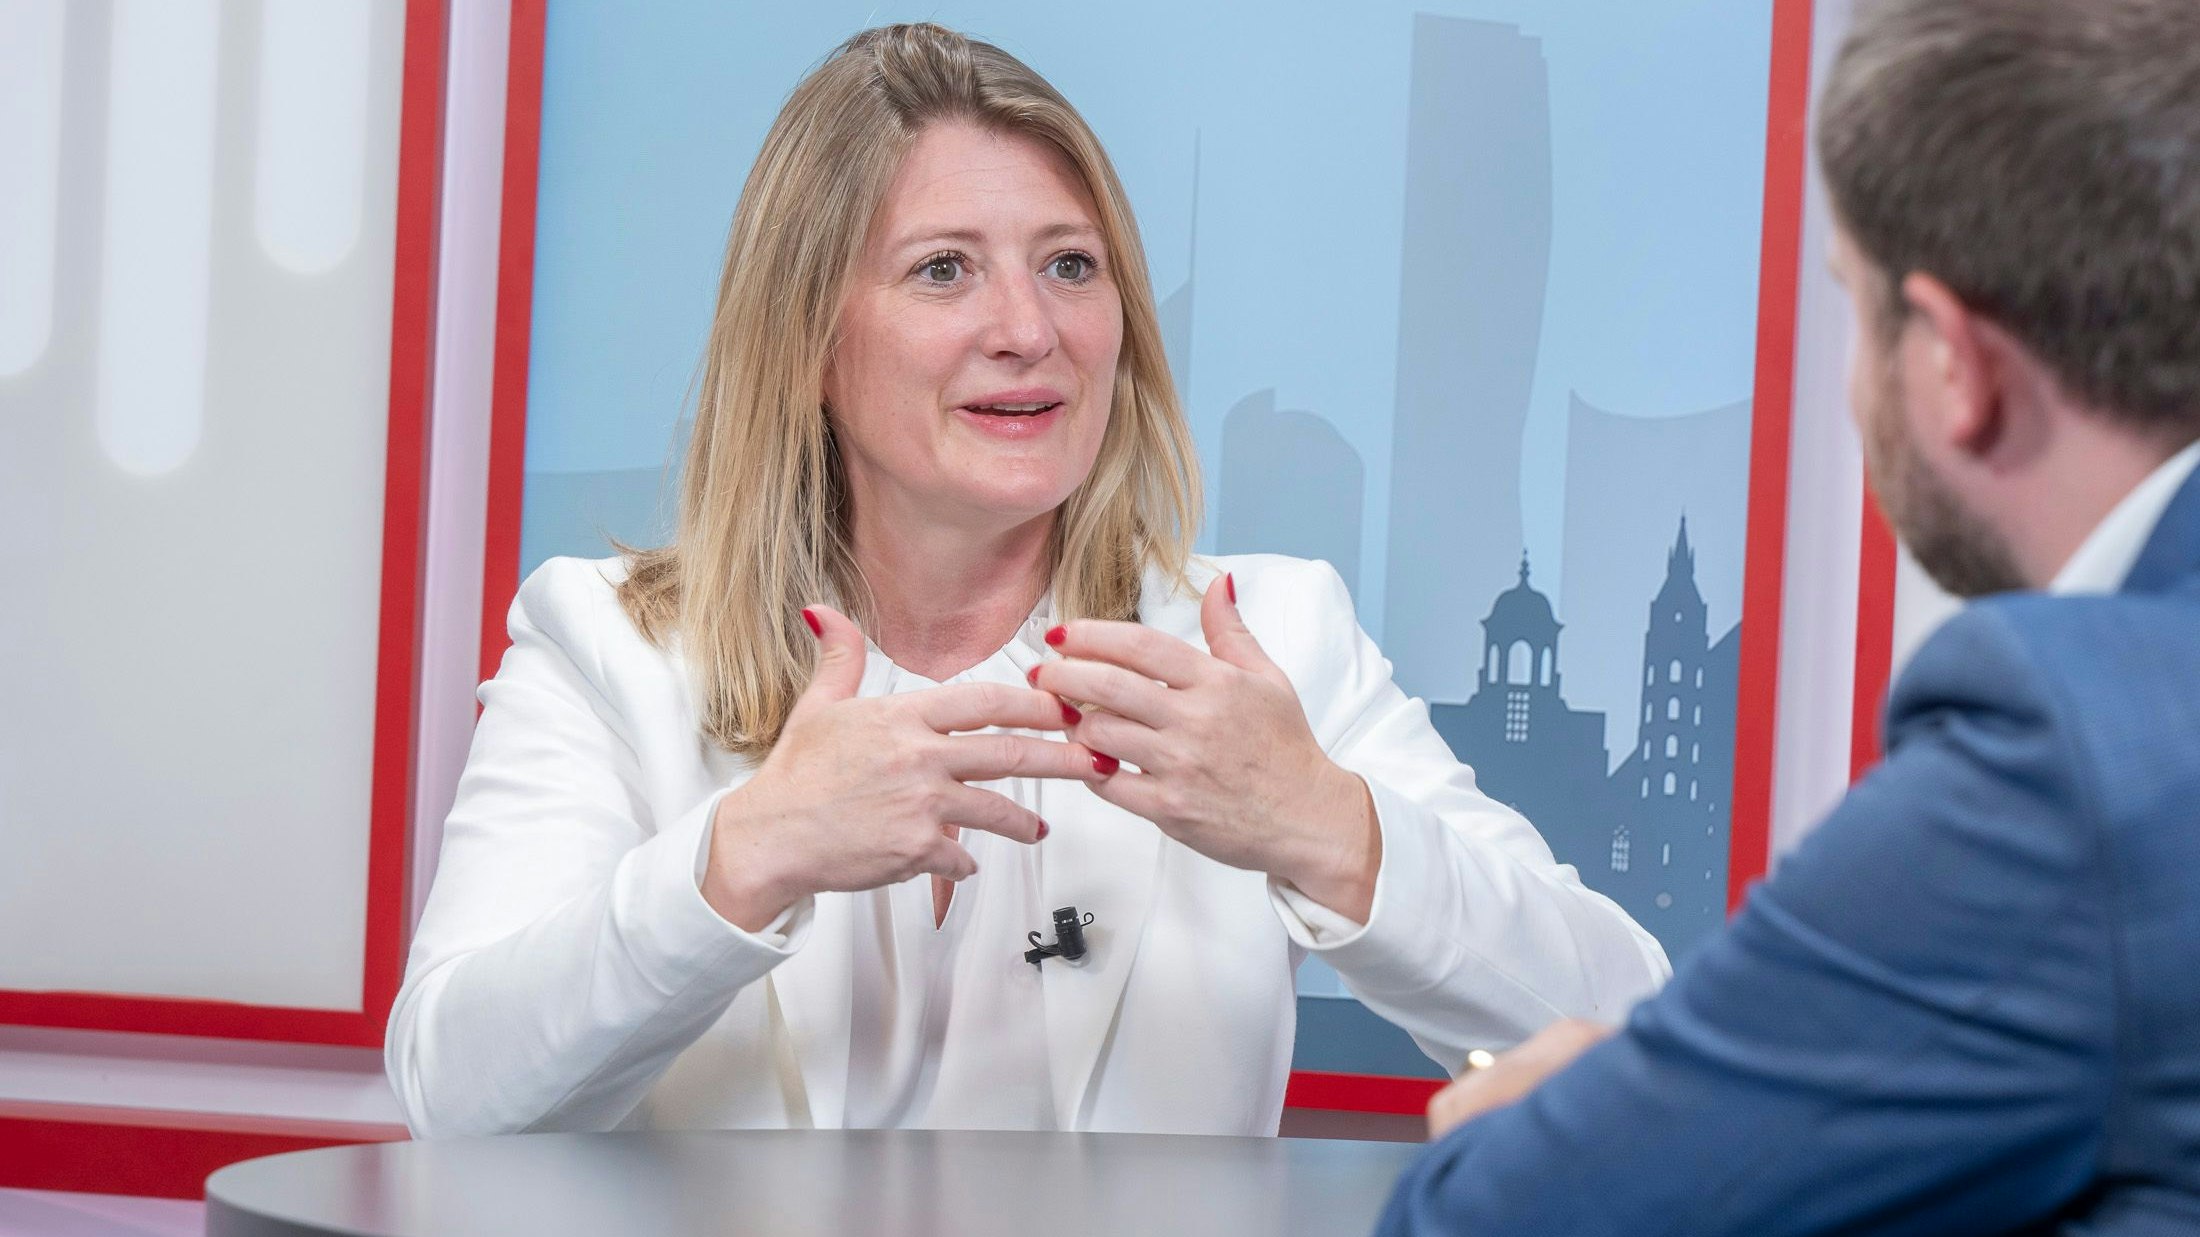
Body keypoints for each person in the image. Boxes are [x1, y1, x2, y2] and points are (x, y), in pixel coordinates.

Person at [385, 23, 1666, 1140]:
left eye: (1070, 264)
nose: (1030, 330)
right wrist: (744, 858)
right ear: (807, 340)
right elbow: (456, 1095)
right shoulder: (606, 647)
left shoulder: (1268, 639)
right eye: (944, 269)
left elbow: (1625, 1027)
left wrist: (1323, 825)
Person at [1379, 0, 2200, 1231]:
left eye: (1853, 308)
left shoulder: (2071, 745)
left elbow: (1497, 1218)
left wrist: (1573, 1112)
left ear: (1951, 365)